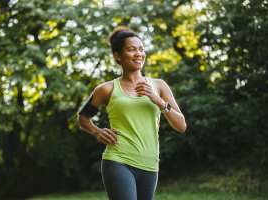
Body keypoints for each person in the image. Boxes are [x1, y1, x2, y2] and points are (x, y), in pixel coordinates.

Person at [77, 27, 187, 200]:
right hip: (118, 160)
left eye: (141, 49)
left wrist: (157, 100)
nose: (138, 53)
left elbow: (181, 125)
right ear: (117, 56)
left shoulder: (159, 86)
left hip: (150, 164)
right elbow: (83, 118)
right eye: (131, 49)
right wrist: (97, 131)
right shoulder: (107, 89)